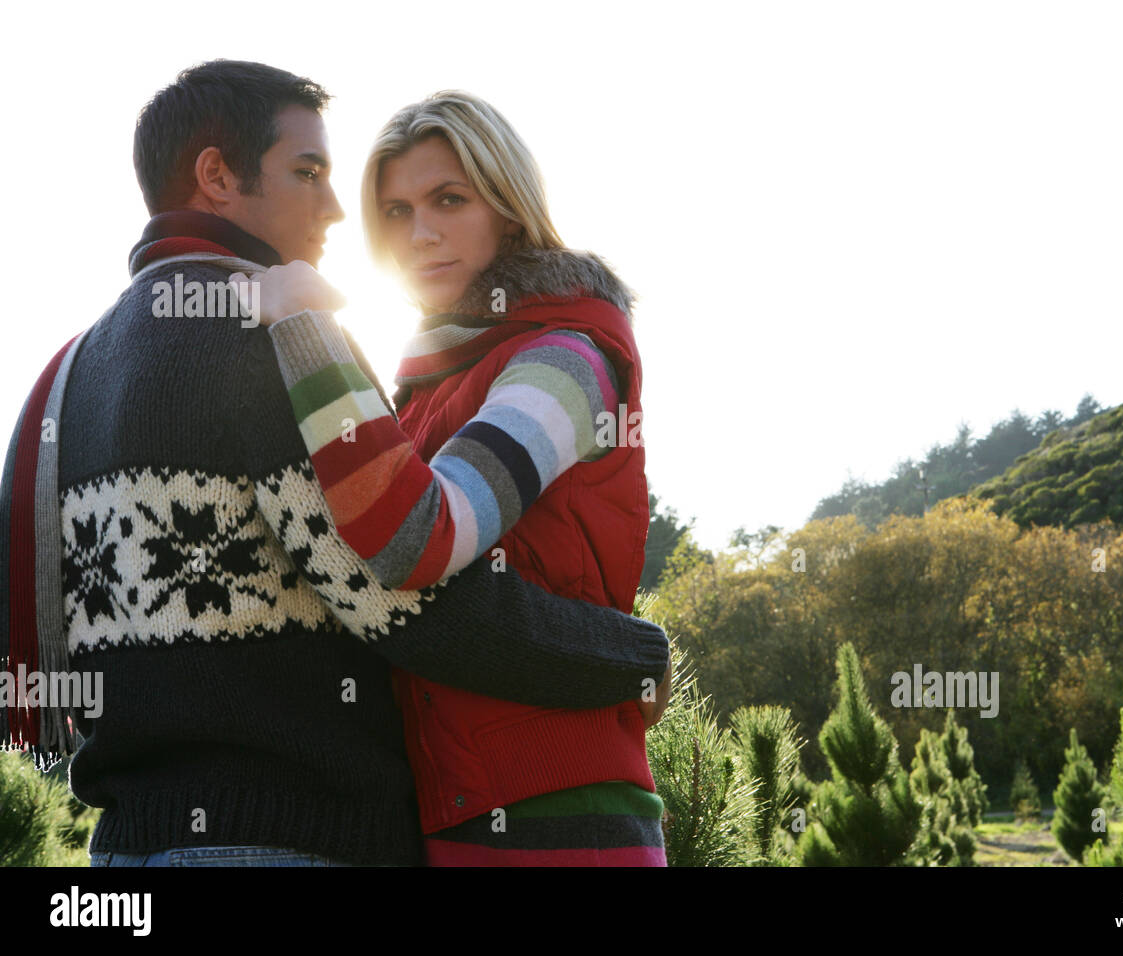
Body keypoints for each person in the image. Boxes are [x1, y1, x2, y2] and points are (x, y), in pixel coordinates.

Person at [0, 60, 670, 868]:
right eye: (307, 173)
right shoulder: (277, 341)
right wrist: (630, 657)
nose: (332, 210)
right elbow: (406, 597)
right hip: (289, 836)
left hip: (125, 850)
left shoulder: (69, 376)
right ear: (216, 175)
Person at [246, 90, 669, 865]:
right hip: (449, 809)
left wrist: (309, 330)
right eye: (398, 212)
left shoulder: (565, 361)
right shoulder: (425, 387)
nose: (422, 233)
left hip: (562, 811)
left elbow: (421, 538)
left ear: (508, 209)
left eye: (449, 200)